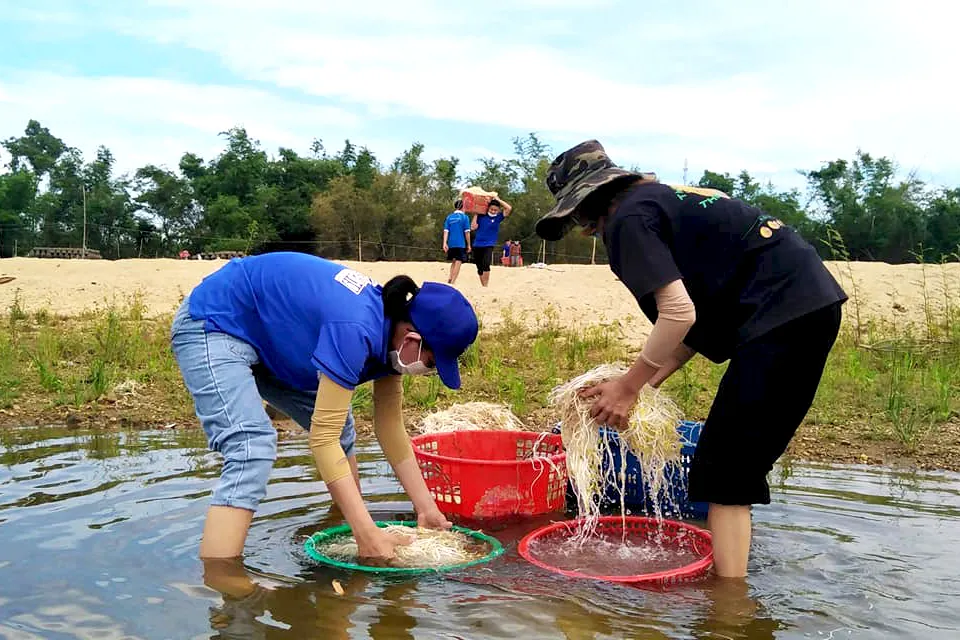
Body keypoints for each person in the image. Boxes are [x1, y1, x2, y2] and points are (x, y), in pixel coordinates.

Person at [534, 140, 847, 579]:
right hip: (802, 308)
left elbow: (679, 314)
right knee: (728, 468)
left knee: (725, 475)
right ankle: (731, 592)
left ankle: (728, 608)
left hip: (783, 318)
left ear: (585, 209)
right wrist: (640, 386)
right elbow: (697, 322)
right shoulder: (660, 202)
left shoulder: (627, 220)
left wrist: (627, 387)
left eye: (580, 220)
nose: (587, 232)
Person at [170, 252, 479, 563]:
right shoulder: (355, 327)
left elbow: (390, 429)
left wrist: (427, 509)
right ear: (413, 339)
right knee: (251, 446)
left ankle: (345, 528)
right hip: (216, 320)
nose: (428, 371)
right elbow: (322, 439)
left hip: (273, 338)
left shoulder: (391, 339)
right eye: (432, 363)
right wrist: (367, 531)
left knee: (339, 426)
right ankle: (223, 581)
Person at [470, 198, 512, 286]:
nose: (493, 211)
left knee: (486, 264)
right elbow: (473, 227)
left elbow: (508, 208)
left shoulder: (498, 217)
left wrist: (498, 200)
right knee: (479, 268)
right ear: (488, 208)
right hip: (477, 244)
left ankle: (485, 285)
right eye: (491, 209)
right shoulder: (481, 216)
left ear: (498, 210)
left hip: (489, 244)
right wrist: (476, 214)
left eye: (495, 210)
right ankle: (483, 285)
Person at [442, 199, 472, 284]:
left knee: (454, 261)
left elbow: (446, 231)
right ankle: (453, 281)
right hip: (460, 243)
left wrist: (444, 243)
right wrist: (469, 244)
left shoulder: (449, 217)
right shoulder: (465, 217)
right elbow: (467, 232)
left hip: (451, 243)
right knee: (458, 261)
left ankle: (450, 277)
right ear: (463, 207)